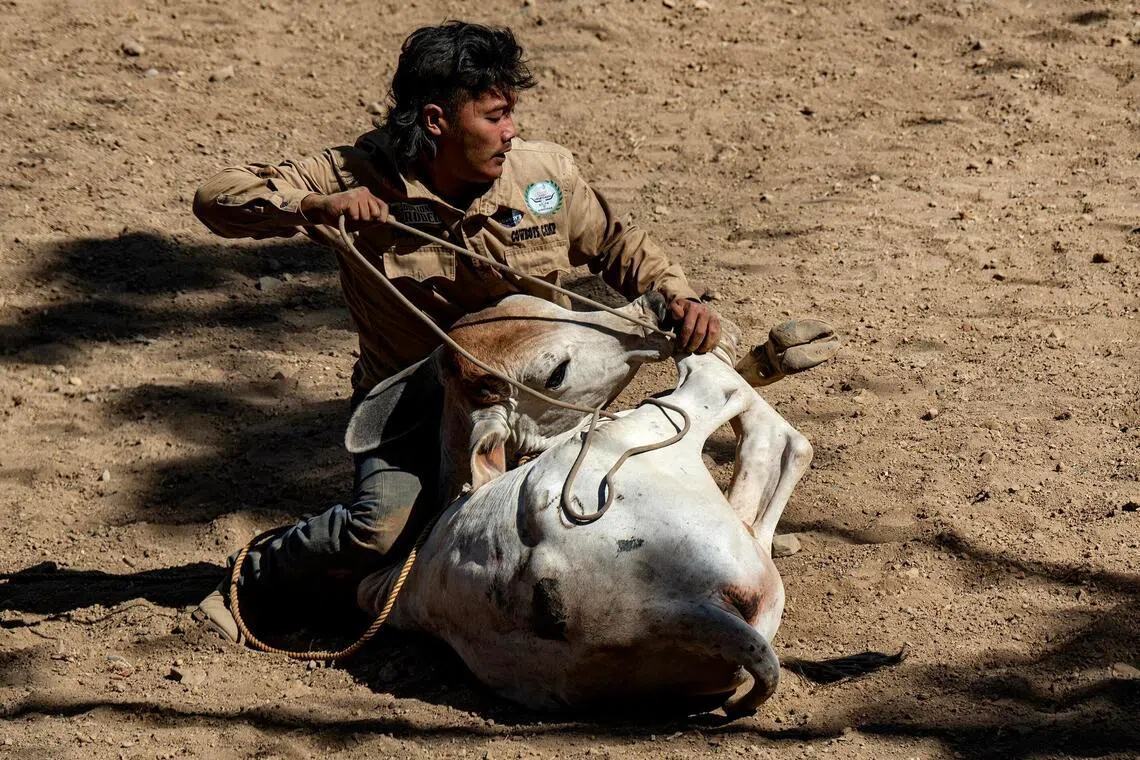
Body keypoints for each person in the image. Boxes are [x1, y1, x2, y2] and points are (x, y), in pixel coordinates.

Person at [190, 21, 722, 643]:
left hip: (543, 396)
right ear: (439, 120)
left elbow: (618, 243)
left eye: (512, 113)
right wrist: (311, 208)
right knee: (379, 530)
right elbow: (214, 198)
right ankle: (257, 575)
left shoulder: (544, 179)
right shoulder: (355, 174)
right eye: (496, 116)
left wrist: (680, 298)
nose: (511, 130)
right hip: (414, 407)